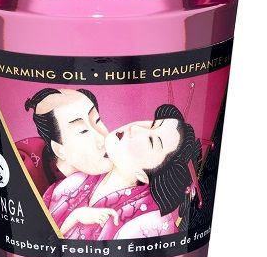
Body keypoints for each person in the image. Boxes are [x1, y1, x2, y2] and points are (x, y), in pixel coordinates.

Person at [58, 104, 202, 239]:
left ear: (145, 176)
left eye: (151, 141)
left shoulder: (147, 223)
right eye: (153, 124)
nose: (135, 127)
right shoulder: (77, 181)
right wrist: (75, 216)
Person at [17, 88, 117, 229]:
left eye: (97, 120)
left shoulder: (114, 167)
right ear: (59, 149)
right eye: (83, 131)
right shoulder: (24, 167)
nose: (103, 139)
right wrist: (75, 217)